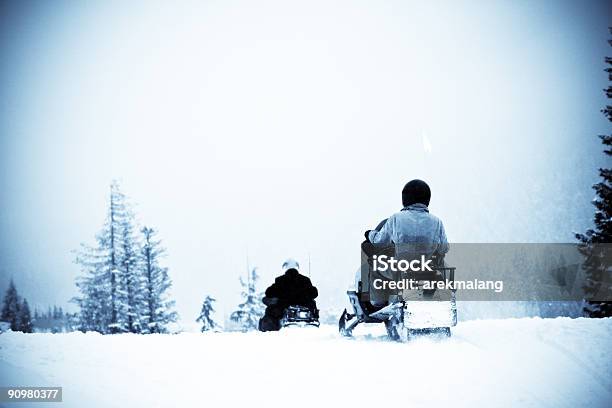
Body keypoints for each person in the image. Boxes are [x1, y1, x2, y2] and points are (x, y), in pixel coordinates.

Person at [358, 179, 449, 304]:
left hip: (401, 269)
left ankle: (378, 302)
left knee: (375, 265)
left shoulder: (396, 218)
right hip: (427, 269)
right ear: (427, 198)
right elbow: (444, 248)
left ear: (405, 198)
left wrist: (369, 234)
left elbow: (380, 242)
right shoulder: (437, 221)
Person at [258, 259, 319, 332]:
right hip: (304, 305)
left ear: (285, 267)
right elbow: (314, 293)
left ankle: (270, 329)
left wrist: (277, 296)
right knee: (313, 305)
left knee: (271, 311)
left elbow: (269, 292)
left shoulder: (280, 280)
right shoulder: (305, 280)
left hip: (284, 306)